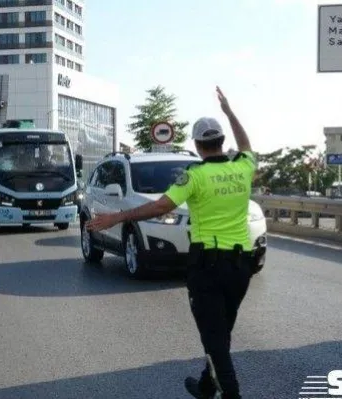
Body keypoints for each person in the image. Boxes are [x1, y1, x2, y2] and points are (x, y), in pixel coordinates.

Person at [86, 86, 257, 399]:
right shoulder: (243, 167)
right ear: (221, 142)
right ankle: (206, 388)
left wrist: (117, 218)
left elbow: (160, 206)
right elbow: (245, 143)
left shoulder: (193, 175)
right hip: (241, 267)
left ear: (197, 144)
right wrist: (229, 111)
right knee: (221, 332)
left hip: (208, 267)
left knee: (215, 341)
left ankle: (232, 394)